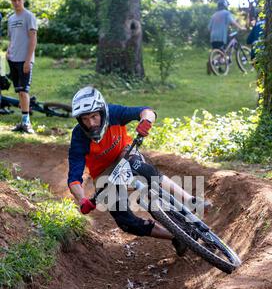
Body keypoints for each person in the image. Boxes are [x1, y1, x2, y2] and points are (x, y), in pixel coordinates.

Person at [68, 87, 211, 257]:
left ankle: (191, 201)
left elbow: (147, 111)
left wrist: (146, 122)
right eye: (85, 119)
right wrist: (83, 199)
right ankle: (177, 237)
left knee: (138, 167)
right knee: (126, 223)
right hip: (105, 175)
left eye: (94, 116)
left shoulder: (113, 112)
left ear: (102, 111)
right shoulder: (79, 138)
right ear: (79, 120)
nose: (91, 123)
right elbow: (73, 179)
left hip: (125, 154)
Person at [6, 0, 37, 134]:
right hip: (13, 59)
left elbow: (33, 38)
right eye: (14, 0)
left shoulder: (29, 16)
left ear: (23, 0)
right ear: (11, 2)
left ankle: (27, 123)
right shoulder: (11, 19)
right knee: (19, 91)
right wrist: (8, 50)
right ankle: (22, 122)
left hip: (24, 60)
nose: (16, 2)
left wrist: (28, 59)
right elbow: (12, 38)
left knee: (24, 91)